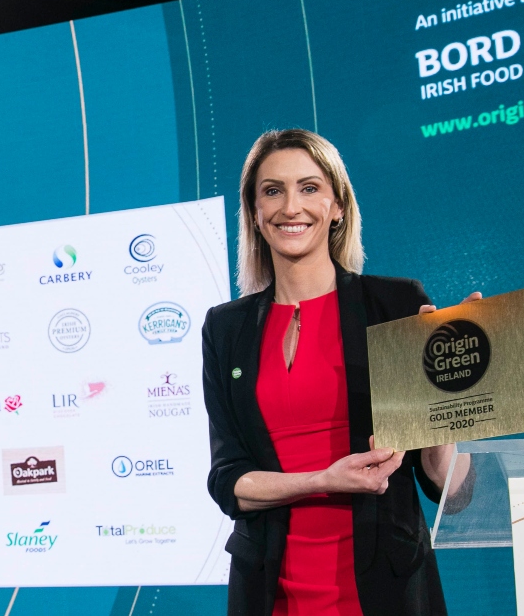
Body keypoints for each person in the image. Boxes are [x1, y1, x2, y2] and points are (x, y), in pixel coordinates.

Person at [202, 128, 475, 616]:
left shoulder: (394, 305)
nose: (291, 207)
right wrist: (322, 479)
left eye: (309, 188)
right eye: (272, 191)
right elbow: (228, 481)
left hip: (384, 585)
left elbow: (450, 491)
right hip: (267, 591)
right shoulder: (225, 329)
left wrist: (450, 394)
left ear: (338, 206)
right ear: (255, 214)